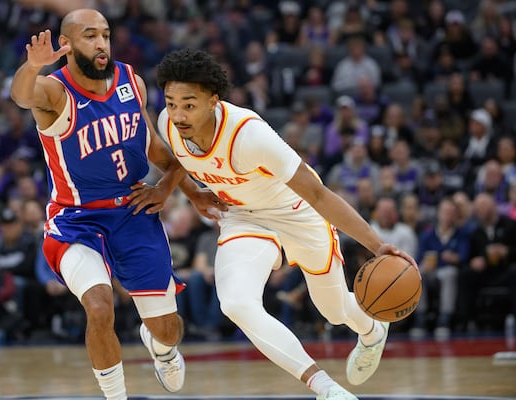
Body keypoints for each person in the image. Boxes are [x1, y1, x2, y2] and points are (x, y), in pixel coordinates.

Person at [153, 48, 417, 400]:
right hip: (243, 216)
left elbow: (319, 196)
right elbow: (178, 159)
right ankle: (324, 388)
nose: (179, 114)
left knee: (335, 311)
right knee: (235, 302)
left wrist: (376, 245)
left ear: (213, 100)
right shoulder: (167, 124)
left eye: (189, 104)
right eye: (171, 103)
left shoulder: (250, 136)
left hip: (297, 211)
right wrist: (194, 194)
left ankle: (371, 329)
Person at [9, 10, 226, 400]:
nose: (101, 44)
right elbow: (22, 94)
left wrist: (181, 192)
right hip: (77, 219)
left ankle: (160, 347)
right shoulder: (55, 93)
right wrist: (32, 66)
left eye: (105, 35)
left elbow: (157, 150)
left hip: (133, 211)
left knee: (168, 329)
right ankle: (115, 397)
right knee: (99, 305)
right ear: (68, 45)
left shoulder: (131, 82)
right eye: (90, 36)